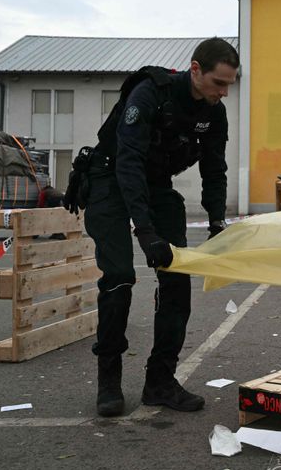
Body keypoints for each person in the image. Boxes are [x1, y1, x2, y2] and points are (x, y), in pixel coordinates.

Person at [68, 37, 237, 418]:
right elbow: (128, 162)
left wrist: (217, 223)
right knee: (119, 277)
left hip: (157, 184)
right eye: (218, 83)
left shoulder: (215, 112)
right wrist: (146, 233)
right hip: (111, 175)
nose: (224, 92)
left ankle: (160, 381)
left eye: (230, 84)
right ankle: (109, 380)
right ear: (195, 70)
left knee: (177, 276)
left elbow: (214, 169)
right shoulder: (150, 94)